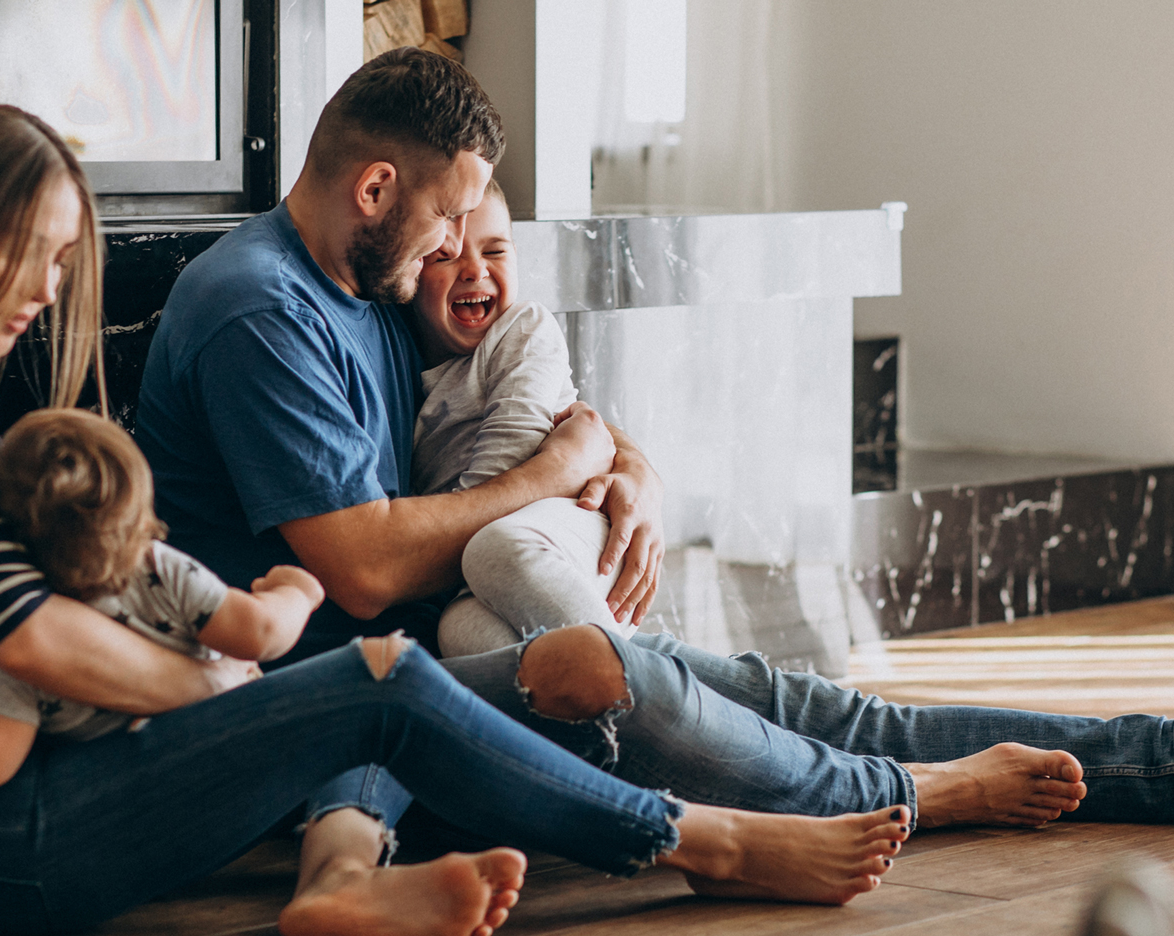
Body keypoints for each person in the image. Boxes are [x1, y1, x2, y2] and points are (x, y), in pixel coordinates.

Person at [0, 102, 914, 936]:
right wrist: (213, 691)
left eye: (65, 259)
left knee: (403, 678)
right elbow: (25, 635)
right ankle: (708, 840)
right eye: (34, 250)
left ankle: (352, 881)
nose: (51, 287)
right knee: (375, 680)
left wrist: (625, 464)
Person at [138, 46, 1174, 862]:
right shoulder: (259, 311)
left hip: (456, 647)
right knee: (659, 695)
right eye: (447, 214)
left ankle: (1148, 760)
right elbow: (361, 570)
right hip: (365, 696)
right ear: (373, 189)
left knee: (797, 700)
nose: (454, 243)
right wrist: (553, 476)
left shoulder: (369, 282)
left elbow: (530, 396)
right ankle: (913, 795)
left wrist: (628, 466)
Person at [0, 408, 323, 788]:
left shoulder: (19, 637)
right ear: (138, 512)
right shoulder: (159, 569)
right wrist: (297, 592)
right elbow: (261, 632)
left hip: (122, 803)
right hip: (229, 773)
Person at [406, 178, 632, 658]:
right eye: (445, 257)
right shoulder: (408, 367)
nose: (475, 269)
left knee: (493, 549)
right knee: (458, 633)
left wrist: (427, 556)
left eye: (495, 251)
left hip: (572, 528)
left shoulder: (523, 328)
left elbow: (507, 460)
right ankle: (624, 687)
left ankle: (638, 678)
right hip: (483, 562)